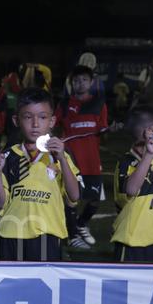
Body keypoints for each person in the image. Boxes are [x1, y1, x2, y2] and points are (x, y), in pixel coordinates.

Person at [0, 87, 81, 263]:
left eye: (42, 117)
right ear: (16, 120)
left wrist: (62, 159)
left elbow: (74, 195)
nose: (35, 124)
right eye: (27, 117)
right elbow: (1, 202)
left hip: (47, 233)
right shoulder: (8, 156)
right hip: (11, 232)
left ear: (52, 121)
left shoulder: (60, 155)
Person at [112, 106, 153, 263]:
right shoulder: (128, 162)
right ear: (150, 132)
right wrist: (149, 153)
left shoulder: (151, 163)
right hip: (134, 244)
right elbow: (131, 189)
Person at [59, 66, 109, 250]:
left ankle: (81, 223)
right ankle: (72, 235)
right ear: (71, 84)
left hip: (92, 160)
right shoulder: (64, 105)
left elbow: (103, 131)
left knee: (94, 200)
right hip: (71, 160)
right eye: (76, 80)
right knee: (71, 199)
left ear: (92, 82)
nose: (80, 84)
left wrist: (111, 130)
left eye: (84, 80)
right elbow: (53, 124)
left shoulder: (99, 104)